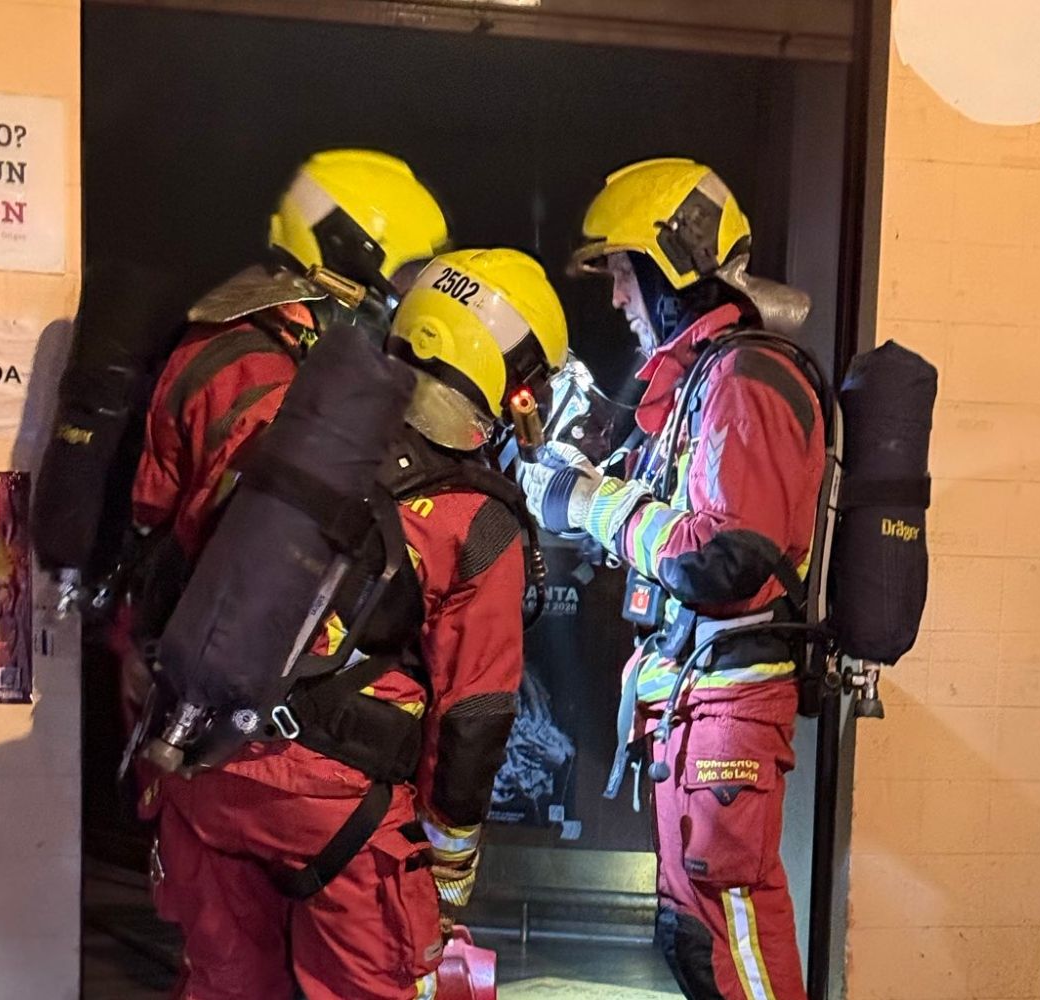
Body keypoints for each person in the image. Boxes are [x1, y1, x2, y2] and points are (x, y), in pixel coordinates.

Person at [131, 150, 570, 1000]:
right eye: (528, 384)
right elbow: (475, 716)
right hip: (343, 818)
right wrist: (449, 875)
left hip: (209, 769)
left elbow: (178, 553)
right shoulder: (477, 519)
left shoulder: (294, 430)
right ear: (498, 374)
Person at [520, 157, 823, 1000]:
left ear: (670, 264)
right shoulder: (698, 381)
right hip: (694, 700)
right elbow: (671, 530)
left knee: (732, 929)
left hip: (727, 699)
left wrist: (588, 501)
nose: (617, 299)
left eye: (622, 272)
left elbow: (724, 555)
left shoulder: (744, 379)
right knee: (695, 935)